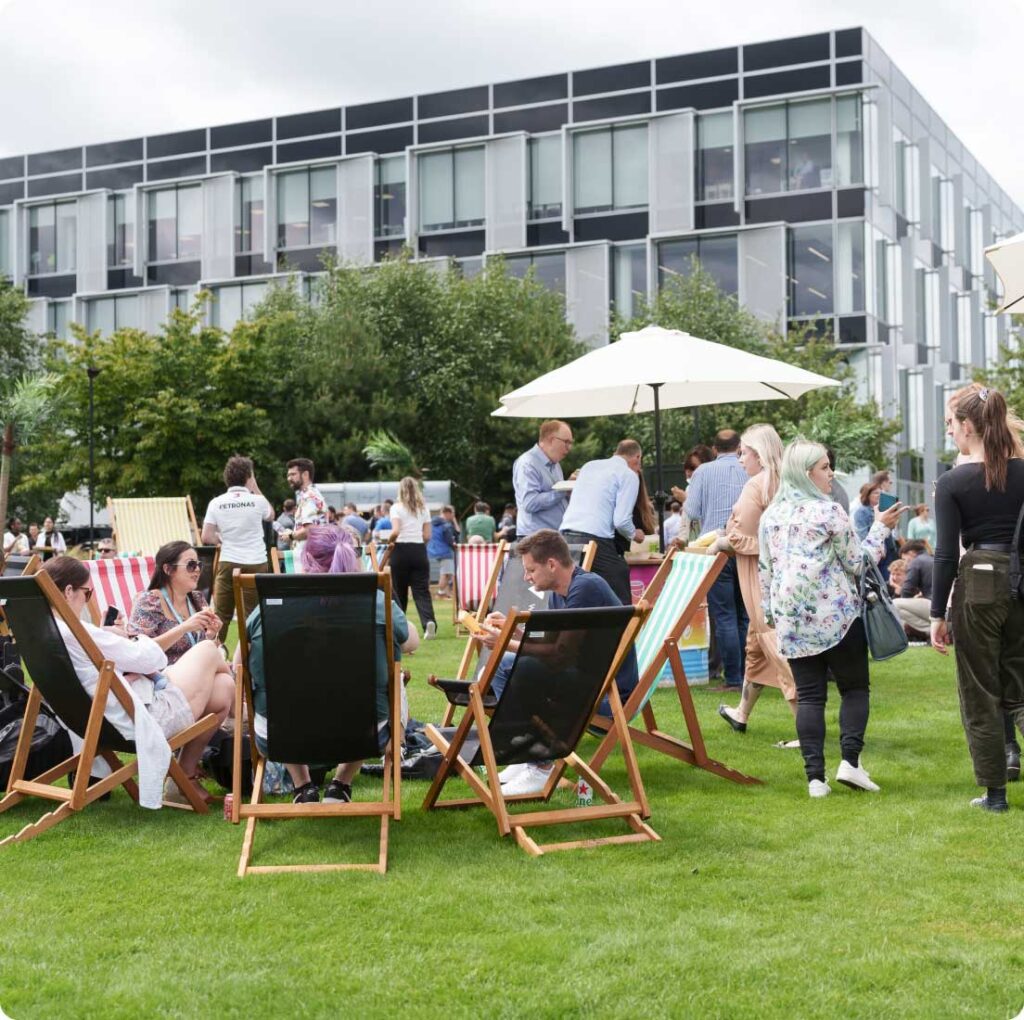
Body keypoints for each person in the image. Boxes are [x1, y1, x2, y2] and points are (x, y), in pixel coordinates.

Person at [759, 439, 905, 798]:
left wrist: (770, 614)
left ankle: (815, 780)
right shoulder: (829, 512)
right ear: (808, 473)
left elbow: (766, 571)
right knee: (854, 688)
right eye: (825, 468)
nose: (831, 474)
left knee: (809, 697)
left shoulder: (771, 516)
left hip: (790, 617)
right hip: (837, 615)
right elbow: (858, 563)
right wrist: (881, 527)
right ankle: (850, 763)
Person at [235, 525, 411, 804]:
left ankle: (303, 787)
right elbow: (411, 641)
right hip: (364, 733)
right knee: (396, 671)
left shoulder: (272, 607)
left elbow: (238, 664)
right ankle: (341, 784)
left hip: (278, 734)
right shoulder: (375, 602)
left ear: (306, 559)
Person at [44, 555, 233, 805]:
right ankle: (242, 718)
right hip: (141, 718)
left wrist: (110, 635)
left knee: (223, 687)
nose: (86, 598)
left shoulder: (49, 630)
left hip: (100, 718)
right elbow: (149, 660)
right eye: (86, 593)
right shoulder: (79, 631)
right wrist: (124, 639)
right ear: (68, 591)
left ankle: (183, 778)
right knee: (209, 650)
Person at [472, 529, 639, 796]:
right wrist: (514, 630)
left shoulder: (585, 589)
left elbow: (561, 652)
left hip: (608, 689)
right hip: (583, 674)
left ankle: (541, 765)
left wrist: (507, 642)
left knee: (522, 666)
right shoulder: (559, 591)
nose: (526, 577)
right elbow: (550, 633)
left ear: (551, 564)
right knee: (504, 665)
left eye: (531, 570)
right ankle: (526, 751)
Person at [930, 386, 1024, 813]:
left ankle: (995, 794)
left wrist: (936, 613)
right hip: (1021, 580)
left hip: (979, 583)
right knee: (1019, 689)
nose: (951, 432)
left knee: (980, 690)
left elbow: (947, 553)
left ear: (967, 426)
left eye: (953, 425)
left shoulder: (952, 482)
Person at [713, 424, 798, 738]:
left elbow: (743, 537)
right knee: (756, 646)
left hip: (759, 576)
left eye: (743, 452)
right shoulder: (785, 483)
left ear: (759, 454)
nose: (740, 459)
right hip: (785, 574)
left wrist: (719, 542)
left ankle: (806, 729)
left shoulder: (756, 485)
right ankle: (742, 713)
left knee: (774, 643)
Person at [683, 429, 749, 692]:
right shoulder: (750, 469)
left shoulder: (703, 472)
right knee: (745, 615)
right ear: (739, 446)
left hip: (714, 547)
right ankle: (748, 674)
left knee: (724, 616)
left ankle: (733, 678)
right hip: (746, 546)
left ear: (714, 448)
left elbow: (693, 510)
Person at [560, 439, 644, 606]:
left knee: (576, 588)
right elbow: (621, 521)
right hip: (594, 538)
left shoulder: (589, 466)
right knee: (619, 579)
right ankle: (624, 630)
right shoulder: (629, 475)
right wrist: (635, 534)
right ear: (637, 457)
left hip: (566, 535)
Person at [201, 456, 273, 641]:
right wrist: (255, 486)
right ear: (248, 477)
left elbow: (206, 536)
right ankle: (251, 658)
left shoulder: (216, 503)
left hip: (229, 560)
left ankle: (215, 656)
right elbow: (271, 515)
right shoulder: (258, 501)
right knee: (253, 615)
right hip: (257, 562)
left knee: (221, 615)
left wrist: (223, 540)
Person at [128, 541, 221, 665]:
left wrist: (211, 635)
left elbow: (206, 649)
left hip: (197, 671)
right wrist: (183, 628)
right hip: (164, 675)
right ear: (168, 569)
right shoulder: (149, 601)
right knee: (223, 679)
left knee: (223, 680)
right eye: (191, 565)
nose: (197, 569)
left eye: (199, 564)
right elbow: (138, 651)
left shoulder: (197, 599)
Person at [388, 477, 437, 639]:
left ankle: (401, 628)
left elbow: (395, 531)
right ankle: (428, 622)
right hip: (418, 550)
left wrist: (389, 541)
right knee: (421, 591)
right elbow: (427, 535)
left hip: (400, 550)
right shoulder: (424, 509)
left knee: (399, 591)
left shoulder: (396, 508)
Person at [512, 420, 573, 538]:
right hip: (535, 540)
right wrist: (563, 491)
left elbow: (555, 499)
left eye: (570, 443)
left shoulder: (555, 464)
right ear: (552, 440)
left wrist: (569, 488)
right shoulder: (528, 463)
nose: (569, 448)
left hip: (551, 537)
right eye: (566, 442)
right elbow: (530, 503)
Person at [892, 540, 933, 640]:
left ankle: (931, 630)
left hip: (934, 606)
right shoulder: (933, 559)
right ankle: (936, 629)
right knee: (903, 611)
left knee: (893, 604)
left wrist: (905, 598)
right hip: (945, 608)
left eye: (904, 559)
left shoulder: (916, 561)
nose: (905, 563)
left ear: (910, 553)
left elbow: (906, 590)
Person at [285, 458, 327, 554]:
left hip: (310, 558)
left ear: (305, 475)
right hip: (313, 556)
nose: (289, 478)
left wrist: (291, 535)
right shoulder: (311, 494)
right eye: (288, 475)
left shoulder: (309, 497)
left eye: (293, 474)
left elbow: (310, 530)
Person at [427, 504, 459, 598]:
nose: (453, 516)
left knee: (445, 571)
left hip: (434, 550)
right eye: (452, 513)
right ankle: (441, 593)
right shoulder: (446, 525)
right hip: (444, 551)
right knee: (446, 573)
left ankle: (445, 592)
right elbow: (452, 537)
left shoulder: (433, 522)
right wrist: (454, 546)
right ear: (447, 513)